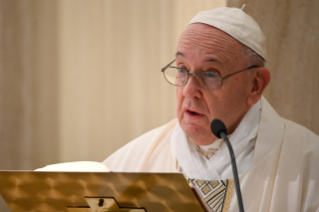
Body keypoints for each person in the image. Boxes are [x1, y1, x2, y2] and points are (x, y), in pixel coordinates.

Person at [103, 7, 319, 212]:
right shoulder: (130, 165)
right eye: (181, 69)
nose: (188, 90)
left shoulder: (309, 162)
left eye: (211, 74)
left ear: (255, 85)